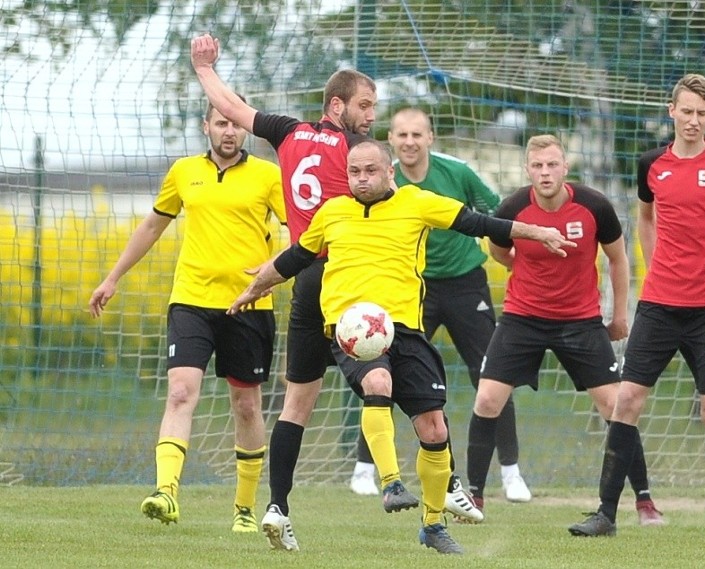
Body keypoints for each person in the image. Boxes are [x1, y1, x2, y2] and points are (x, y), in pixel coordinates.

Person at [190, 35, 481, 549]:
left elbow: (230, 106)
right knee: (403, 380)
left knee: (297, 402)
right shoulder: (357, 155)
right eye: (366, 106)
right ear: (338, 104)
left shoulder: (288, 132)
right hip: (350, 280)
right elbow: (387, 200)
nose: (372, 116)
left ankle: (278, 507)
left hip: (304, 281)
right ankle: (442, 484)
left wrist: (204, 67)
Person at [228, 139, 573, 554]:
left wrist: (537, 232)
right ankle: (390, 483)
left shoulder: (417, 202)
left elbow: (479, 224)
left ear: (389, 171)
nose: (361, 179)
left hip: (404, 329)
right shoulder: (333, 212)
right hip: (352, 329)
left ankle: (432, 526)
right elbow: (294, 259)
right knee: (376, 380)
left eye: (370, 170)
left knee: (434, 426)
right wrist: (254, 286)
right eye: (354, 172)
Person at [569, 73, 705, 537]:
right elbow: (646, 215)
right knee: (626, 400)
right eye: (686, 112)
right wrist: (656, 262)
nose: (693, 121)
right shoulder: (651, 163)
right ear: (672, 111)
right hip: (660, 304)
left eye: (702, 114)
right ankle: (605, 514)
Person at [88, 99, 285, 532]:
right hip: (191, 300)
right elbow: (153, 226)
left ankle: (245, 510)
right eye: (220, 123)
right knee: (179, 393)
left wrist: (272, 274)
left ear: (246, 131)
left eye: (235, 124)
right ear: (206, 127)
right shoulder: (183, 172)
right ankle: (166, 492)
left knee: (247, 406)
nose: (229, 131)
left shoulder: (269, 176)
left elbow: (304, 234)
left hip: (249, 305)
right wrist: (113, 277)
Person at [466, 134, 662, 524]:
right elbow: (498, 248)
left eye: (552, 165)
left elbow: (618, 260)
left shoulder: (594, 206)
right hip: (522, 317)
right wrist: (518, 265)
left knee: (616, 405)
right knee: (487, 399)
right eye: (537, 166)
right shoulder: (514, 207)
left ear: (564, 167)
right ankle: (474, 497)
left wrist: (619, 315)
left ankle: (644, 500)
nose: (545, 173)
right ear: (528, 170)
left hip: (580, 320)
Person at [348, 107, 531, 509]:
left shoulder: (457, 172)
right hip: (414, 289)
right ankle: (364, 469)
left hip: (467, 283)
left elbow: (495, 210)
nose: (409, 142)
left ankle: (511, 471)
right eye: (401, 135)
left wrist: (517, 249)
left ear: (430, 138)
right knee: (380, 370)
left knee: (491, 373)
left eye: (417, 134)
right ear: (391, 140)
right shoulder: (382, 179)